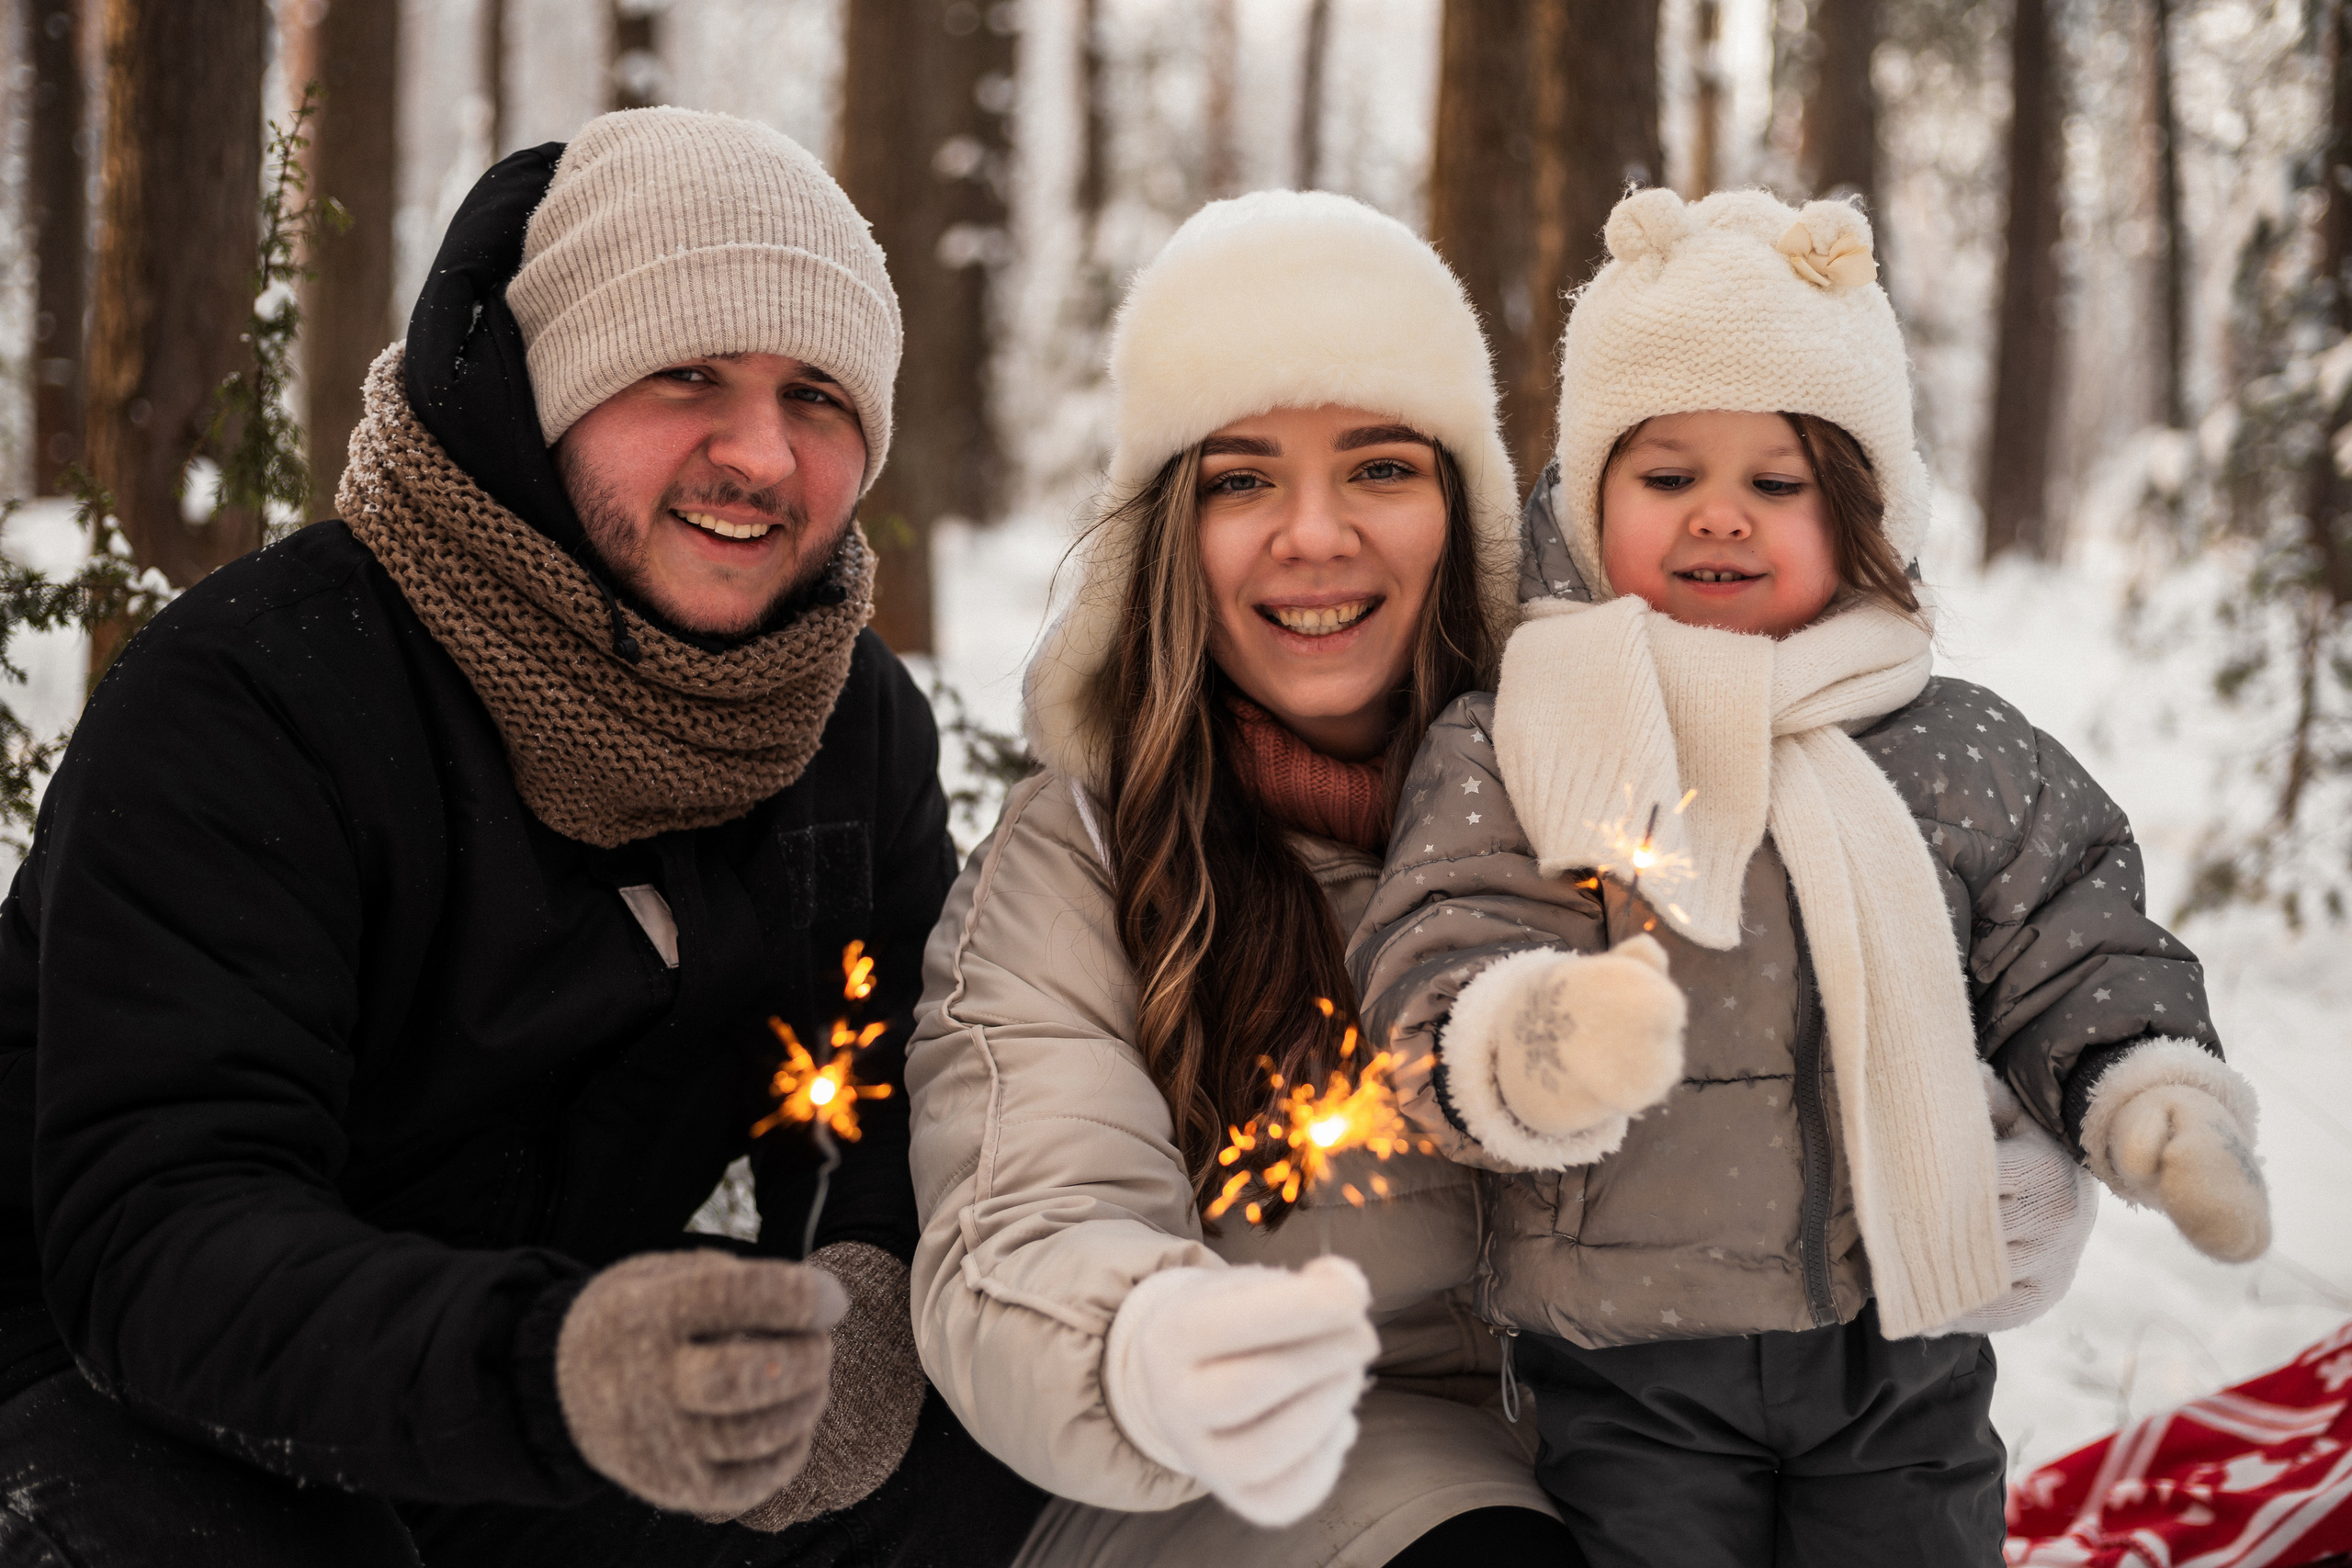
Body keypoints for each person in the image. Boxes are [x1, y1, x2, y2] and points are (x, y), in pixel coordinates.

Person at [0, 108, 1040, 1566]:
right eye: (687, 373)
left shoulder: (839, 721)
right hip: (132, 1384)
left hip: (541, 1361)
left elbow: (895, 1080)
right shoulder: (254, 697)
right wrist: (555, 1368)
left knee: (987, 1468)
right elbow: (164, 1235)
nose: (760, 452)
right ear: (543, 387)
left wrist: (871, 1286)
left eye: (817, 395)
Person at [1351, 186, 2270, 1567]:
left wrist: (2145, 1093)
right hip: (1626, 1349)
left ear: (1858, 511)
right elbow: (1446, 928)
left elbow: (2073, 938)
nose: (1721, 516)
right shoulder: (1532, 728)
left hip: (1897, 1340)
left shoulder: (1951, 745)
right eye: (1669, 477)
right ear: (1592, 499)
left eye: (1775, 483)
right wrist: (1523, 1041)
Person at [906, 190, 1572, 1568]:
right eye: (1242, 478)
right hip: (1244, 1488)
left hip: (1626, 1454)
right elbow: (1023, 1222)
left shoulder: (1600, 803)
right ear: (1168, 535)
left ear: (1463, 509)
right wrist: (1144, 1343)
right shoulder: (1081, 868)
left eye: (1380, 468)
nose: (1313, 534)